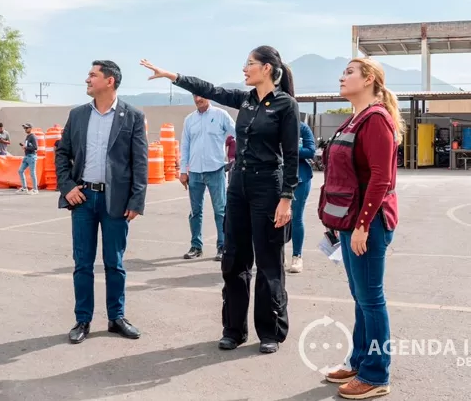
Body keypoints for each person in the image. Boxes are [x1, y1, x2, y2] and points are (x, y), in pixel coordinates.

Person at [140, 45, 299, 354]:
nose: (245, 68)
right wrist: (171, 75)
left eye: (250, 63)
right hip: (238, 183)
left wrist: (286, 198)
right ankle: (233, 330)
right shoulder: (244, 100)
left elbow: (291, 156)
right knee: (234, 259)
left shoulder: (285, 105)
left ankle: (270, 332)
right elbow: (208, 88)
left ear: (267, 68)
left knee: (269, 263)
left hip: (269, 185)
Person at [318, 57, 404, 400]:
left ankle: (375, 374)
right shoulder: (354, 119)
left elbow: (381, 178)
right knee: (360, 298)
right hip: (350, 222)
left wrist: (363, 225)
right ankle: (359, 359)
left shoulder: (376, 120)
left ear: (368, 79)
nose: (342, 77)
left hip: (368, 224)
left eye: (349, 72)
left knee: (371, 299)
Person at [55, 60, 149, 345]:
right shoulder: (78, 115)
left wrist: (137, 200)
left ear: (109, 81)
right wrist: (68, 187)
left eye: (92, 75)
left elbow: (140, 161)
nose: (87, 79)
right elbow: (62, 154)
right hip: (83, 199)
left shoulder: (132, 116)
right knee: (82, 263)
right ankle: (82, 320)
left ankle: (116, 318)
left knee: (114, 263)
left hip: (116, 202)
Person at [180, 93, 236, 262]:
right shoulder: (189, 120)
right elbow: (185, 146)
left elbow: (239, 133)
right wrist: (183, 171)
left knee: (220, 211)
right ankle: (196, 246)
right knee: (195, 212)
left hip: (216, 170)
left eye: (201, 96)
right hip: (195, 172)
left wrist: (242, 156)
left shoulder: (220, 115)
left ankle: (222, 246)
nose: (198, 100)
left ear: (208, 97)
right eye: (195, 96)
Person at [288, 120, 316, 274]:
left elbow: (311, 151)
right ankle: (277, 255)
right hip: (275, 177)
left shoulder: (301, 127)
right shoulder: (270, 123)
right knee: (275, 218)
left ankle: (297, 256)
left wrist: (290, 149)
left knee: (296, 217)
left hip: (300, 178)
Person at [17, 123, 39, 194]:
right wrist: (24, 146)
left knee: (32, 173)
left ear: (30, 128)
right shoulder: (28, 137)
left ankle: (35, 189)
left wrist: (26, 147)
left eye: (26, 128)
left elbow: (35, 147)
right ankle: (24, 187)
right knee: (20, 171)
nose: (25, 129)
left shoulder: (33, 137)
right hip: (27, 156)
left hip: (31, 156)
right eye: (24, 128)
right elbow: (29, 146)